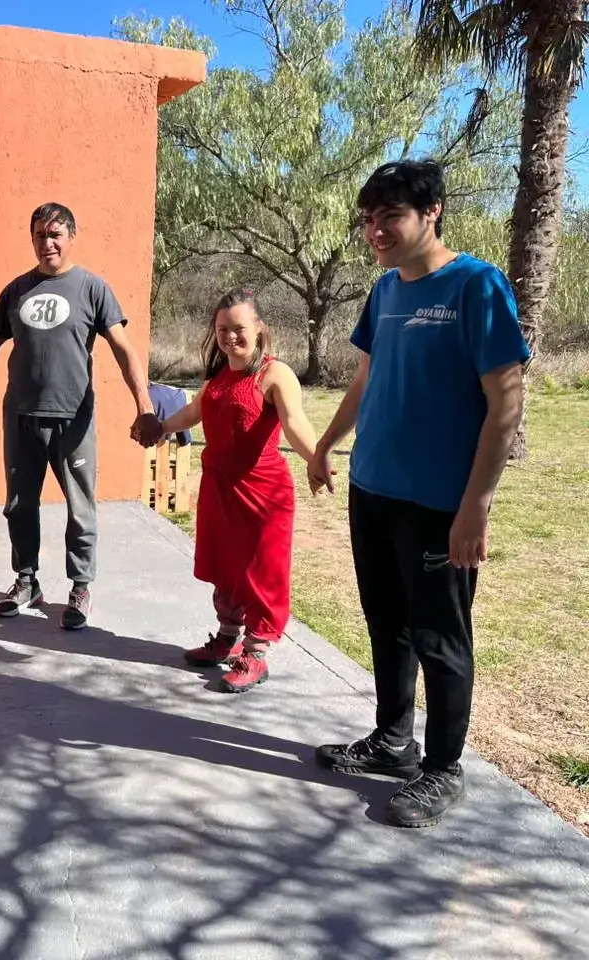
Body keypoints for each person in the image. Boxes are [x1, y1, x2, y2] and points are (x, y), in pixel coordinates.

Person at [308, 160, 528, 829]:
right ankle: (393, 742)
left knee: (441, 638)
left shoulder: (477, 286)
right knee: (388, 626)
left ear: (432, 211)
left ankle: (442, 768)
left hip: (440, 505)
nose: (376, 230)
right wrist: (324, 444)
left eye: (391, 217)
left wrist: (476, 505)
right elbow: (366, 378)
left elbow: (506, 405)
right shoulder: (384, 290)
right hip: (373, 489)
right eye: (368, 219)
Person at [0, 203, 163, 630]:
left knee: (80, 507)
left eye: (55, 234)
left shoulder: (93, 288)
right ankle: (26, 581)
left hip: (73, 419)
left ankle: (80, 586)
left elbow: (124, 350)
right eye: (39, 235)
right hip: (20, 417)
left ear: (72, 236)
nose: (47, 243)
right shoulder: (16, 290)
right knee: (19, 506)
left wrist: (143, 405)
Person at [155, 289, 318, 692]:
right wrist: (160, 428)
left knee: (261, 573)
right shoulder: (218, 376)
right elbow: (195, 412)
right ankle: (227, 639)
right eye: (223, 329)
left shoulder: (274, 374)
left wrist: (316, 457)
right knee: (226, 568)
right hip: (220, 488)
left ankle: (257, 653)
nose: (230, 337)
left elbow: (294, 422)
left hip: (263, 493)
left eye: (239, 329)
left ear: (259, 329)